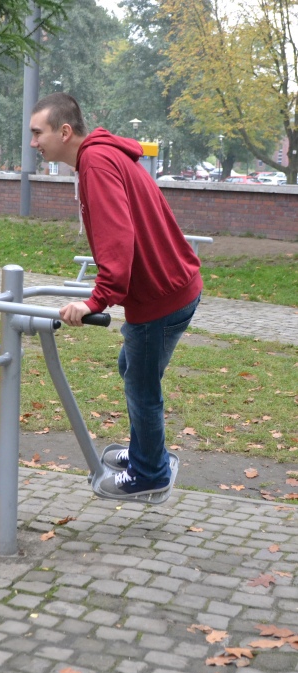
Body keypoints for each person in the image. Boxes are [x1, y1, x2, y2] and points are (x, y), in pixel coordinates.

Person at [30, 93, 203, 500]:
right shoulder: (102, 156)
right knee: (133, 368)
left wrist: (97, 300)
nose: (34, 143)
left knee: (141, 386)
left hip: (159, 295)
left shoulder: (96, 163)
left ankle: (150, 473)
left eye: (38, 133)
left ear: (64, 131)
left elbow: (117, 237)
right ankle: (147, 453)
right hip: (172, 286)